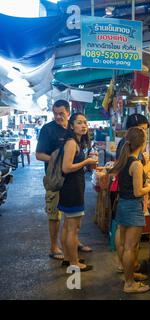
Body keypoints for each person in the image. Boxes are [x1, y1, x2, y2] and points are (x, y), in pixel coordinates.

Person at [36, 100, 92, 262]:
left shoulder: (73, 129)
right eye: (55, 114)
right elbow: (39, 155)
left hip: (71, 181)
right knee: (55, 215)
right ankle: (54, 247)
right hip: (55, 179)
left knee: (72, 219)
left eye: (61, 113)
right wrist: (60, 160)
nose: (58, 117)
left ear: (68, 112)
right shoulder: (48, 129)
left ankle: (72, 243)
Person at [111, 127, 150, 293]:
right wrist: (149, 187)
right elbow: (138, 191)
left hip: (123, 205)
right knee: (130, 247)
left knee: (126, 245)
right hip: (132, 207)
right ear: (142, 144)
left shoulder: (124, 160)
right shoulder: (136, 164)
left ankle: (131, 275)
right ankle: (129, 284)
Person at [59, 113, 97, 271]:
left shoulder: (76, 142)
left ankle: (68, 258)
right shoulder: (71, 143)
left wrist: (85, 161)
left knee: (68, 226)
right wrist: (87, 161)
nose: (83, 125)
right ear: (72, 125)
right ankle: (74, 263)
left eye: (85, 122)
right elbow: (66, 168)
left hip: (71, 188)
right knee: (73, 229)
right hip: (72, 189)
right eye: (79, 122)